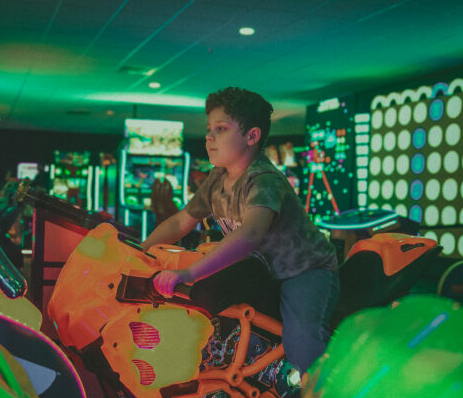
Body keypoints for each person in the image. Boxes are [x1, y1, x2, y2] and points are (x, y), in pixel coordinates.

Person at [141, 87, 339, 376]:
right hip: (262, 270)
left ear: (252, 136)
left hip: (305, 271)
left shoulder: (263, 180)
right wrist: (140, 250)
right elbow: (182, 220)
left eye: (221, 129)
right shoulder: (217, 178)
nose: (209, 137)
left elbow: (249, 235)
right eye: (209, 129)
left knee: (301, 338)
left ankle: (321, 397)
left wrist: (190, 273)